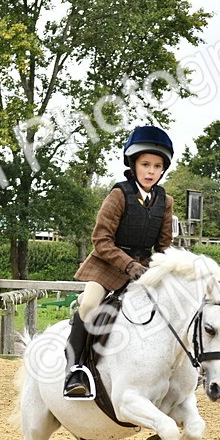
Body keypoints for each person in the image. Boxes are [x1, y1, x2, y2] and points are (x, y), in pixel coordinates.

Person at [63, 125, 174, 399]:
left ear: (163, 170)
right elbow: (101, 239)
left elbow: (164, 246)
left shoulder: (165, 201)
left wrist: (168, 268)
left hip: (144, 269)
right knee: (89, 305)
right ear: (133, 164)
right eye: (145, 164)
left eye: (157, 166)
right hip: (107, 264)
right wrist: (128, 265)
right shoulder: (119, 195)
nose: (150, 171)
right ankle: (75, 370)